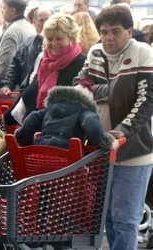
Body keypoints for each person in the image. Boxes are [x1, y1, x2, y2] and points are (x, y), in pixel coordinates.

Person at [72, 5, 153, 249]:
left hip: (134, 149)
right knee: (106, 217)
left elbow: (146, 99)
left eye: (115, 31)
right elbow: (80, 83)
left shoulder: (143, 52)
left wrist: (124, 130)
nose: (108, 38)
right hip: (100, 147)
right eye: (104, 32)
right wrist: (110, 91)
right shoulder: (95, 52)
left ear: (129, 31)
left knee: (125, 220)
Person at [3, 13, 86, 127]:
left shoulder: (81, 63)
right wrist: (8, 116)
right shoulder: (44, 60)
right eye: (50, 39)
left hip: (60, 131)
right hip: (33, 126)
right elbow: (30, 91)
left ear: (71, 38)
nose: (53, 43)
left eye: (59, 38)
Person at [15, 86, 115, 149]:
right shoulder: (83, 110)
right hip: (69, 156)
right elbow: (90, 121)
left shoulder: (50, 109)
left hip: (41, 150)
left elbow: (32, 118)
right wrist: (100, 140)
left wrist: (22, 138)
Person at [0, 6, 53, 95]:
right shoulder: (26, 45)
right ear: (34, 22)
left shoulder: (60, 45)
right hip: (28, 95)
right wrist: (7, 85)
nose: (45, 23)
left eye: (48, 19)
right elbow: (15, 68)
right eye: (41, 20)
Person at [0, 0, 36, 79]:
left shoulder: (12, 31)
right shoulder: (29, 26)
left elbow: (5, 62)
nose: (2, 11)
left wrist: (2, 82)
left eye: (4, 8)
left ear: (12, 10)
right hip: (26, 78)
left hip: (12, 84)